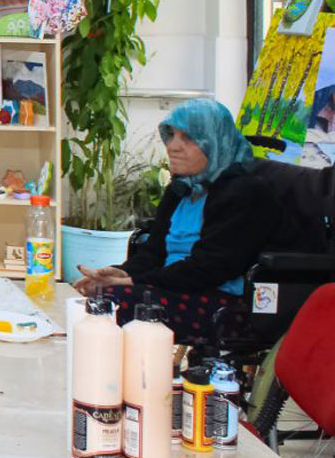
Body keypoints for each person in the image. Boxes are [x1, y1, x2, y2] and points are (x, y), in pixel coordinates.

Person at [76, 99, 284, 341]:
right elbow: (154, 254)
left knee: (115, 304)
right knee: (94, 297)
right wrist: (120, 273)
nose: (172, 146)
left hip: (228, 302)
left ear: (215, 143)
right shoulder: (181, 189)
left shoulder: (245, 193)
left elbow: (208, 268)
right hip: (179, 289)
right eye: (171, 135)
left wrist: (132, 282)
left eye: (188, 138)